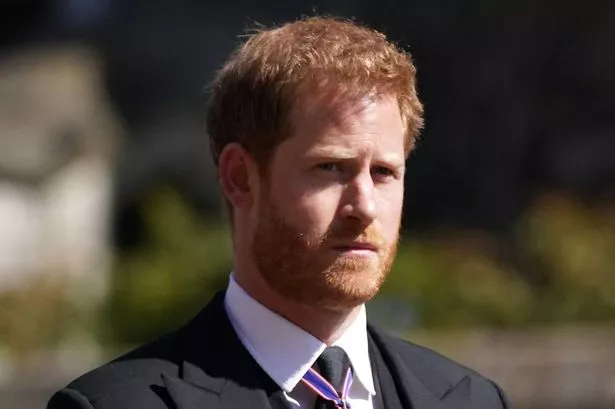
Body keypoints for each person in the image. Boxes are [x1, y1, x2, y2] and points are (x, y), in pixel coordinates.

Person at [48, 16, 509, 409]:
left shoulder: (472, 400)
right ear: (239, 177)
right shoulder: (115, 405)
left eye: (385, 172)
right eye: (330, 168)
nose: (364, 205)